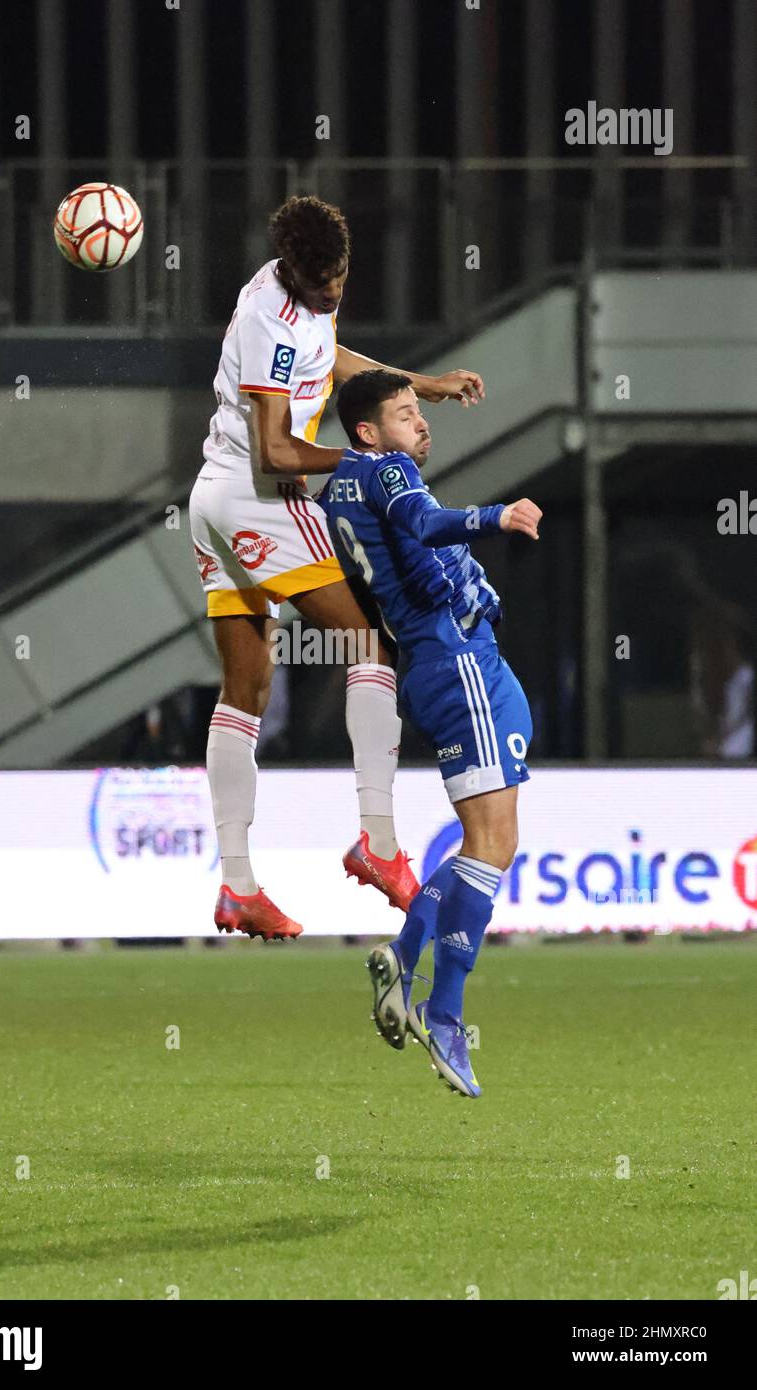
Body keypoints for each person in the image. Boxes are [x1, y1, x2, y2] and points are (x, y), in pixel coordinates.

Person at [189, 196, 487, 941]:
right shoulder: (267, 318)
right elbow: (276, 452)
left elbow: (334, 358)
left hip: (214, 502)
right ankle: (379, 847)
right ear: (293, 273)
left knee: (247, 688)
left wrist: (421, 385)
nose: (329, 296)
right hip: (256, 496)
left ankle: (238, 888)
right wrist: (366, 458)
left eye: (338, 284)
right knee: (371, 648)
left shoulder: (302, 296)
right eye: (319, 287)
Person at [320, 369, 542, 1097]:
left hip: (444, 660)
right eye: (405, 413)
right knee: (491, 844)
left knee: (491, 843)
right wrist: (494, 516)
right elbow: (421, 523)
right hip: (457, 657)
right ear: (367, 432)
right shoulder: (385, 473)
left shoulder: (338, 492)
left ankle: (404, 953)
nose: (421, 424)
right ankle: (444, 1014)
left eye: (420, 412)